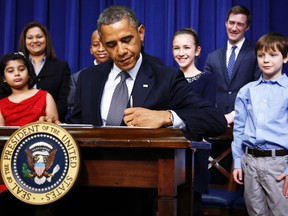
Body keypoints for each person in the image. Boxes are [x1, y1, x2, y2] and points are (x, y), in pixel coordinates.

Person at [45, 5, 227, 216]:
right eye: (112, 45)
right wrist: (58, 129)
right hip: (89, 188)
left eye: (127, 40)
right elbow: (79, 128)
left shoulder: (165, 78)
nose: (121, 51)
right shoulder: (88, 78)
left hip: (142, 192)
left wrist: (166, 116)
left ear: (141, 33)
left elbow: (215, 121)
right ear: (102, 44)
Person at [232, 32, 288, 216]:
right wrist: (238, 162)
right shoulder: (246, 91)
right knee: (255, 212)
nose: (266, 60)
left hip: (278, 163)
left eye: (273, 55)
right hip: (250, 162)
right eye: (261, 55)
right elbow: (239, 129)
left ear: (285, 57)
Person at [172, 27, 216, 216]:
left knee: (192, 205)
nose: (181, 53)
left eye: (186, 48)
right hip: (171, 149)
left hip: (196, 150)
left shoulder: (207, 79)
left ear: (197, 51)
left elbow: (205, 117)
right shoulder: (169, 78)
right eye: (176, 48)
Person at [203, 5, 260, 126]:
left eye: (240, 24)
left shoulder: (256, 54)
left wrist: (234, 115)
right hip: (216, 125)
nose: (234, 28)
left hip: (246, 124)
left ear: (247, 27)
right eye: (231, 22)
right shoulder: (212, 57)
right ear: (226, 23)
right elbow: (206, 93)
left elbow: (258, 91)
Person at [18, 21, 71, 123]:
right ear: (24, 41)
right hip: (19, 125)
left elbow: (64, 100)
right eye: (30, 38)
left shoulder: (61, 67)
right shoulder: (16, 66)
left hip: (51, 124)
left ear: (46, 39)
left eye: (39, 37)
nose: (35, 40)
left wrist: (49, 119)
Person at [0, 52, 59, 126]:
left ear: (29, 73)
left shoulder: (45, 96)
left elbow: (56, 130)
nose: (17, 73)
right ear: (4, 78)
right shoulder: (1, 105)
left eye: (21, 69)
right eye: (11, 71)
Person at [67, 29, 110, 117]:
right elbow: (73, 109)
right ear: (91, 50)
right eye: (96, 45)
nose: (101, 49)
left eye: (105, 44)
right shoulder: (77, 77)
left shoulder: (123, 74)